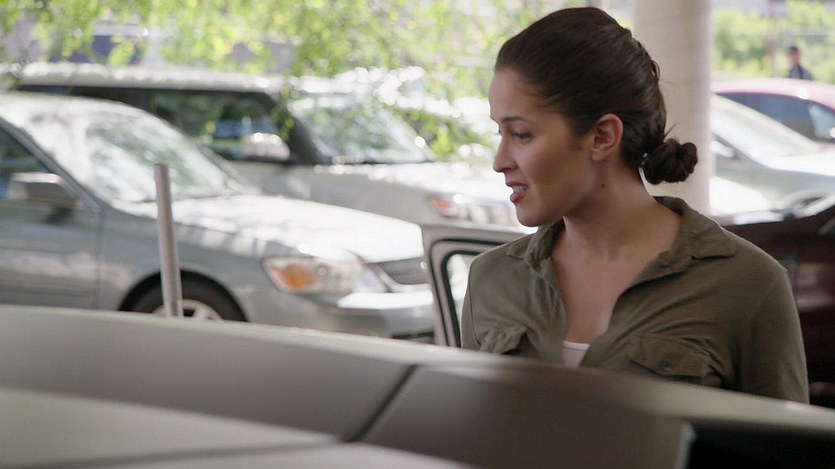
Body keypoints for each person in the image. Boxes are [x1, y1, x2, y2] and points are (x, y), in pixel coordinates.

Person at [461, 7, 809, 403]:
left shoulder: (748, 284)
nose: (500, 161)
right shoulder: (491, 280)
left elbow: (781, 438)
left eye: (522, 134)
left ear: (602, 137)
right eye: (500, 132)